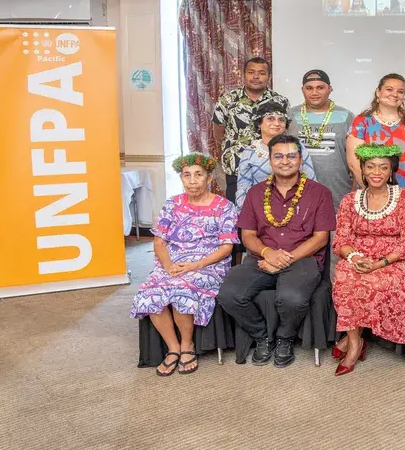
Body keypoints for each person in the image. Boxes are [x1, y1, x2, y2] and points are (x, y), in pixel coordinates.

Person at [217, 136, 336, 368]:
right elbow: (248, 235)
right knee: (229, 294)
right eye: (278, 156)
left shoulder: (320, 193)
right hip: (262, 257)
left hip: (303, 258)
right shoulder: (255, 193)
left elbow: (320, 238)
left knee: (291, 298)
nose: (285, 161)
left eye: (291, 156)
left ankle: (285, 338)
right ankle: (263, 337)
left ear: (300, 159)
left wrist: (282, 259)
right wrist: (267, 253)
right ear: (270, 160)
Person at [130, 154, 238, 376]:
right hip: (173, 262)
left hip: (209, 264)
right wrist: (168, 265)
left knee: (181, 290)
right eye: (187, 175)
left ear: (209, 178)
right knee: (150, 293)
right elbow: (159, 241)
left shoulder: (224, 207)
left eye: (198, 175)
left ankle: (187, 345)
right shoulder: (173, 204)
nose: (192, 180)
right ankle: (173, 348)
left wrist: (194, 265)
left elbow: (226, 247)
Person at [331, 144, 405, 376]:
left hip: (397, 259)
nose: (376, 172)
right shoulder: (349, 200)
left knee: (373, 283)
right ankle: (354, 342)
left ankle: (353, 340)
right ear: (362, 170)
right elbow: (342, 239)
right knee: (345, 278)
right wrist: (355, 258)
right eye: (371, 167)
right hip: (359, 255)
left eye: (383, 167)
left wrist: (379, 264)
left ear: (391, 171)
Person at [348, 74, 405, 266]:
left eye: (400, 91)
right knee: (375, 253)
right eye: (389, 89)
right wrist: (379, 195)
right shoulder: (362, 122)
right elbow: (355, 163)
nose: (394, 94)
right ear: (378, 92)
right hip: (374, 198)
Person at [213, 57, 289, 204]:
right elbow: (218, 131)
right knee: (239, 216)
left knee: (273, 213)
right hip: (236, 167)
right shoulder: (228, 100)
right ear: (244, 74)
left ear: (269, 76)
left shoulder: (280, 101)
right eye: (251, 72)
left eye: (261, 73)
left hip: (271, 169)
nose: (256, 77)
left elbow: (284, 131)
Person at [287, 69, 356, 214]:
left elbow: (356, 157)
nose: (315, 93)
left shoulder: (346, 116)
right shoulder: (290, 115)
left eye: (320, 87)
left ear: (330, 89)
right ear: (302, 90)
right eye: (309, 88)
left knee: (335, 234)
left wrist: (354, 191)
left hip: (338, 191)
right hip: (297, 190)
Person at [235, 101, 316, 209]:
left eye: (281, 120)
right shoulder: (250, 152)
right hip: (260, 211)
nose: (277, 124)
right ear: (259, 123)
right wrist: (247, 216)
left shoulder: (297, 146)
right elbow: (243, 189)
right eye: (270, 118)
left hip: (296, 209)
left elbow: (310, 181)